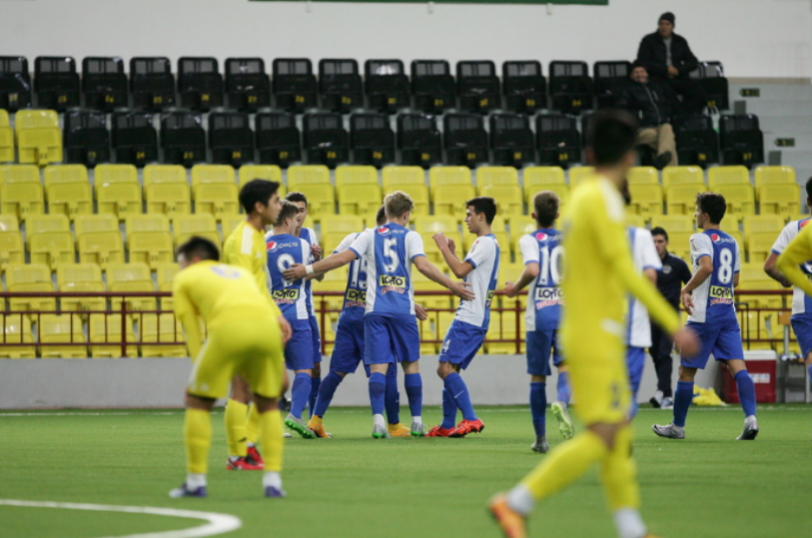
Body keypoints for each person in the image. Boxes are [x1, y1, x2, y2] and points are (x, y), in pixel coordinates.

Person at [489, 110, 699, 538]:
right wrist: (671, 323)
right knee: (605, 433)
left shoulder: (588, 197)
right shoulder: (599, 199)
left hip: (595, 332)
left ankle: (630, 526)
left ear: (589, 153)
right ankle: (516, 502)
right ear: (631, 160)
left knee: (617, 433)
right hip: (594, 337)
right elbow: (625, 271)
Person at [284, 191, 474, 438]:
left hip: (358, 312)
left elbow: (338, 260)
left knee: (347, 371)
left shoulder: (363, 236)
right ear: (403, 215)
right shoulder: (407, 236)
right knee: (399, 368)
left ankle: (326, 420)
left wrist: (307, 269)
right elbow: (416, 268)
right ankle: (402, 423)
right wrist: (444, 288)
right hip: (388, 311)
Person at [169, 237, 288, 498]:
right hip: (268, 329)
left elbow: (190, 327)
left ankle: (195, 482)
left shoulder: (184, 279)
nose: (180, 268)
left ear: (195, 260)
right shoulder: (239, 274)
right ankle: (273, 482)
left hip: (229, 329)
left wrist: (199, 368)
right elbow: (263, 301)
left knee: (197, 401)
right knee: (267, 403)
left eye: (181, 262)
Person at [308, 206, 423, 438]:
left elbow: (335, 261)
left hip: (349, 313)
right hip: (374, 313)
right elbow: (390, 277)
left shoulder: (355, 238)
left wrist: (312, 267)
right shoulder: (384, 239)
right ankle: (393, 425)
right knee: (386, 370)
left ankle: (315, 419)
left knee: (336, 372)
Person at [653, 193, 759, 441]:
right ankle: (751, 419)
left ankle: (677, 427)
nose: (695, 214)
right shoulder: (733, 241)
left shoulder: (698, 238)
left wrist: (686, 289)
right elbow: (735, 281)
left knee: (685, 372)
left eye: (696, 210)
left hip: (703, 315)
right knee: (738, 368)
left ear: (706, 215)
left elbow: (707, 266)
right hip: (727, 314)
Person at [221, 179, 292, 470]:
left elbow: (259, 286)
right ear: (259, 206)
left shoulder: (256, 237)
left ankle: (247, 445)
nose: (280, 205)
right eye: (276, 200)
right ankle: (239, 454)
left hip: (256, 319)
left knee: (278, 383)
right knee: (243, 389)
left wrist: (276, 314)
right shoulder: (244, 242)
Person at [502, 191, 573, 454]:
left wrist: (515, 288)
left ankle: (541, 439)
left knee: (538, 376)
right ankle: (563, 402)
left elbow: (532, 270)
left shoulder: (529, 240)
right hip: (566, 314)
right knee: (566, 366)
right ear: (557, 215)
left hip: (539, 316)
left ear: (533, 215)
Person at [426, 197, 500, 438]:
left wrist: (443, 248)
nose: (465, 219)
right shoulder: (488, 244)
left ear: (481, 216)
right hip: (476, 315)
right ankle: (448, 424)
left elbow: (459, 271)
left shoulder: (485, 243)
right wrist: (454, 253)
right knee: (451, 369)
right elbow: (466, 273)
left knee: (444, 368)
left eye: (469, 214)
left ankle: (470, 417)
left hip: (470, 316)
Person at [266, 201, 322, 439]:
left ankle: (267, 425)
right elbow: (316, 275)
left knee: (270, 374)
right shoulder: (302, 244)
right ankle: (296, 415)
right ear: (289, 220)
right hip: (298, 316)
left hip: (270, 317)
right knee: (304, 370)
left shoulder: (262, 245)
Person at [620, 181, 662, 419]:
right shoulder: (641, 236)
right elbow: (649, 277)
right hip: (634, 328)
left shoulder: (590, 236)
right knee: (628, 397)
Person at [765, 177, 812, 392]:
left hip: (804, 307)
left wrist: (787, 280)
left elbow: (770, 266)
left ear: (808, 200)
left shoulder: (794, 228)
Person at [284, 192, 324, 419]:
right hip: (281, 310)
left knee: (314, 366)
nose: (299, 215)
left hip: (305, 310)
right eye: (295, 210)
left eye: (302, 210)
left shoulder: (310, 236)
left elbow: (319, 277)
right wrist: (305, 272)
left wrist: (316, 263)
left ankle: (313, 420)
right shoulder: (274, 237)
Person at [648, 227, 692, 409]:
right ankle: (662, 390)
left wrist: (687, 296)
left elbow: (691, 282)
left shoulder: (677, 264)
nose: (657, 245)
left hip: (670, 316)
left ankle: (665, 394)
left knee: (664, 353)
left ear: (666, 243)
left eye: (660, 241)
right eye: (654, 241)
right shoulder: (645, 264)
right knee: (654, 352)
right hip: (649, 315)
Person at [636, 12, 706, 116]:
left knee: (698, 92)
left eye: (667, 24)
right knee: (668, 94)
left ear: (672, 27)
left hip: (678, 77)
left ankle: (683, 116)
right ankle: (680, 118)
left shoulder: (680, 41)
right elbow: (643, 61)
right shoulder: (649, 40)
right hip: (658, 78)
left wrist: (678, 70)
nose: (664, 27)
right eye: (661, 24)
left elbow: (692, 61)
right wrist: (666, 69)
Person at [617, 62, 678, 169]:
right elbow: (622, 110)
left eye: (642, 71)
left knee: (667, 128)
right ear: (631, 75)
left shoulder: (657, 87)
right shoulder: (626, 90)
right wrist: (639, 116)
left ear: (647, 74)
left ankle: (662, 159)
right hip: (640, 130)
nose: (639, 74)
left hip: (660, 127)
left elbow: (668, 104)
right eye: (636, 72)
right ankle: (670, 171)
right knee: (668, 139)